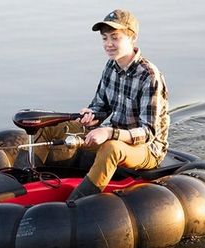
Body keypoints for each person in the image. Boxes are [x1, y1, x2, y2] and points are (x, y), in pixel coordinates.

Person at [34, 9, 170, 200]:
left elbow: (148, 133)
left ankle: (75, 204)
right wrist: (91, 116)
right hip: (114, 135)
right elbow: (101, 107)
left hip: (147, 149)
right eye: (104, 38)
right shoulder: (111, 66)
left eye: (115, 37)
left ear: (133, 38)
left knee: (111, 148)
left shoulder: (150, 76)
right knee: (51, 128)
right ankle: (27, 182)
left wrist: (108, 133)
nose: (108, 44)